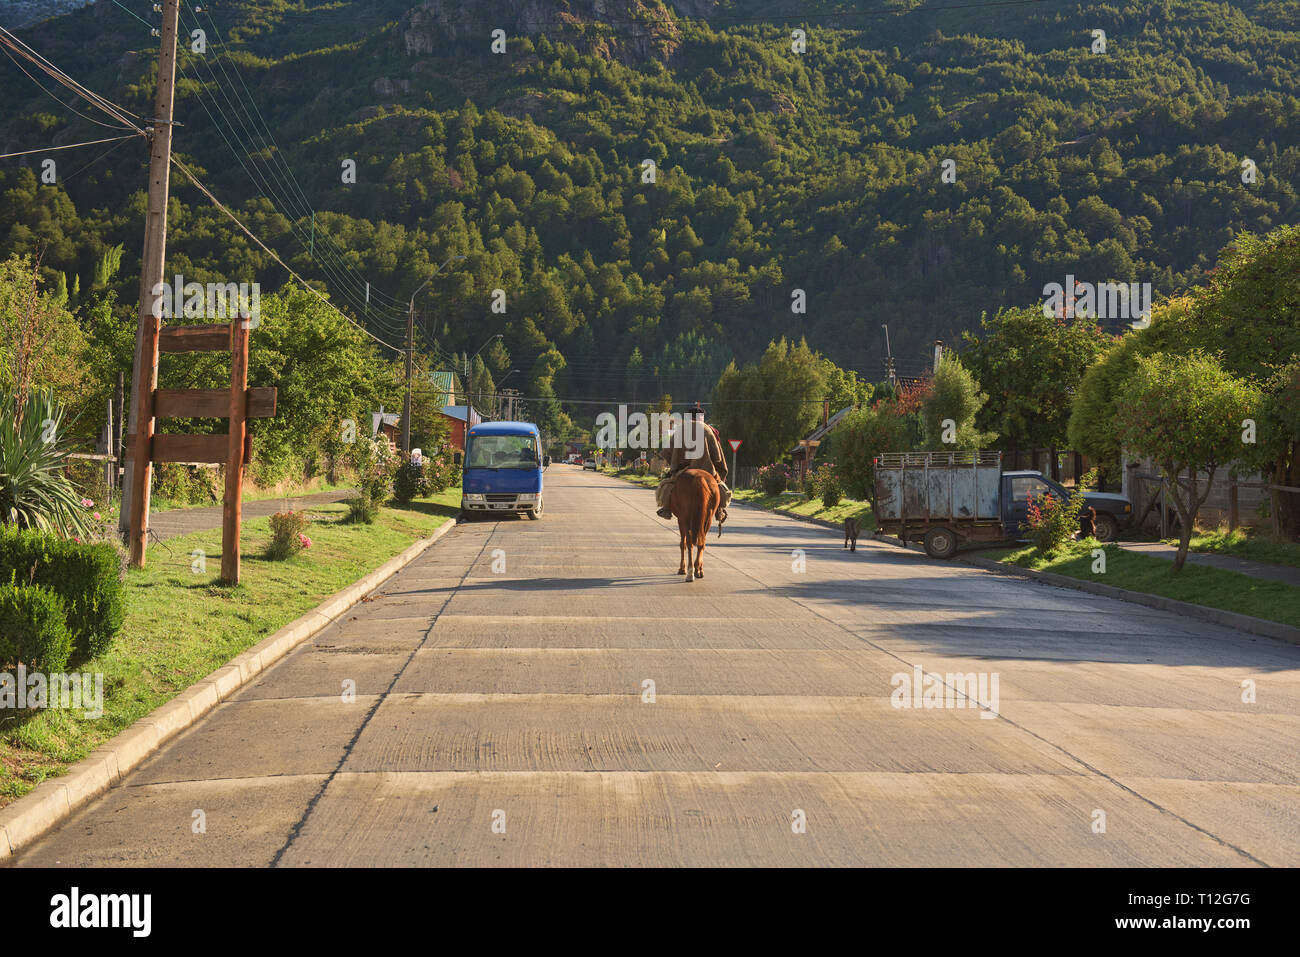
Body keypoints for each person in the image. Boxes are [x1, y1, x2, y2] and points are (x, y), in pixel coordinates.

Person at [656, 401, 731, 522]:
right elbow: (717, 456)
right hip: (707, 469)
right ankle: (719, 510)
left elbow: (669, 452)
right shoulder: (709, 430)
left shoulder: (680, 429)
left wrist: (674, 465)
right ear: (702, 418)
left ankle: (666, 508)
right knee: (719, 486)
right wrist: (719, 468)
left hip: (683, 469)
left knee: (669, 485)